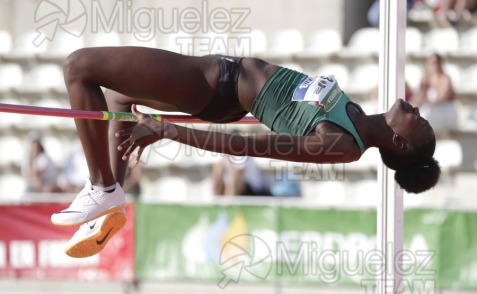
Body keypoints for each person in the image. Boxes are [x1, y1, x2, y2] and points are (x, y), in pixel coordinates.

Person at [52, 47, 441, 257]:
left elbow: (246, 144)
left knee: (79, 67)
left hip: (216, 84)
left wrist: (169, 130)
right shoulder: (357, 116)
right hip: (224, 79)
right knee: (121, 95)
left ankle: (101, 187)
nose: (418, 112)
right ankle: (112, 197)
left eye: (420, 124)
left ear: (400, 143)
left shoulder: (341, 145)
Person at [410, 53, 458, 135]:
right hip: (432, 110)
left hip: (445, 111)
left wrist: (425, 101)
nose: (433, 65)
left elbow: (442, 98)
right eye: (430, 63)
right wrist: (422, 87)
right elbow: (417, 98)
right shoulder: (425, 79)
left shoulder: (445, 78)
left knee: (426, 111)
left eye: (435, 62)